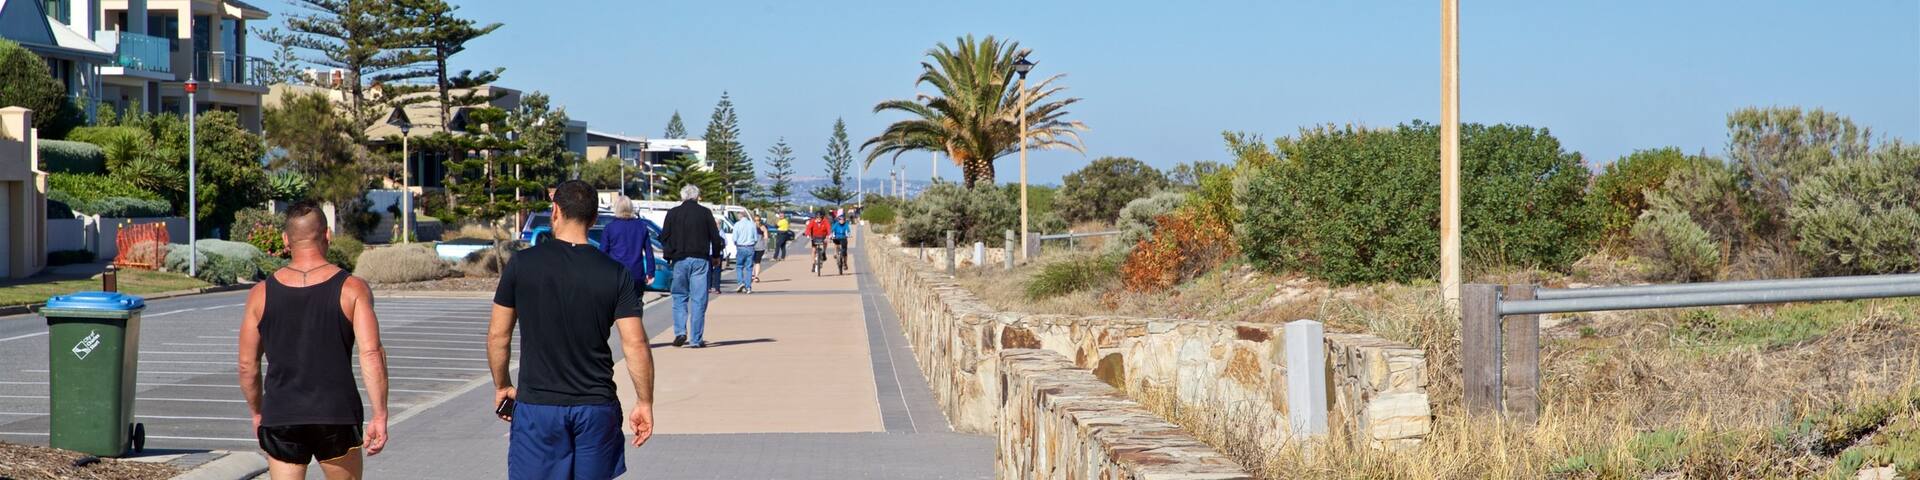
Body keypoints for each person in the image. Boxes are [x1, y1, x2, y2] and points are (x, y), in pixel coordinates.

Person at [489, 180, 656, 478]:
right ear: (593, 220)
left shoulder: (522, 265)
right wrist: (645, 401)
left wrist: (502, 385)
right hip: (596, 406)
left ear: (555, 211)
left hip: (538, 406)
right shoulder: (615, 273)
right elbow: (636, 345)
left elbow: (498, 336)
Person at [238, 200, 389, 480]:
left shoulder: (260, 294)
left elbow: (247, 364)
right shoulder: (352, 289)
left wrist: (258, 413)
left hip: (282, 415)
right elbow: (371, 354)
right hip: (336, 414)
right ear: (328, 235)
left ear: (285, 239)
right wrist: (380, 414)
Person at [659, 185, 726, 348]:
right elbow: (715, 238)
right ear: (697, 196)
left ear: (682, 196)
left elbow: (664, 237)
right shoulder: (705, 213)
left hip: (679, 259)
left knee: (679, 296)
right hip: (700, 259)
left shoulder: (673, 213)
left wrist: (669, 254)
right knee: (698, 299)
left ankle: (680, 331)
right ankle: (696, 339)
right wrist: (716, 256)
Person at [601, 196, 656, 292]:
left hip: (615, 274)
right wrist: (650, 272)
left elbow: (603, 252)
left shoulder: (610, 228)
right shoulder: (641, 226)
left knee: (616, 304)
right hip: (636, 274)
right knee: (636, 303)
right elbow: (649, 252)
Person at [730, 214, 760, 293]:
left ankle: (741, 283)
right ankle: (748, 287)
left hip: (740, 247)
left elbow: (734, 238)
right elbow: (756, 238)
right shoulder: (752, 224)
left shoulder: (737, 224)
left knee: (739, 266)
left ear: (740, 217)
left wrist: (736, 244)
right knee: (749, 268)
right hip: (750, 247)